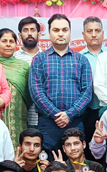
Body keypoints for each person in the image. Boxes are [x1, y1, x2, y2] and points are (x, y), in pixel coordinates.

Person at [29, 14, 93, 151]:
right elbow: (36, 92)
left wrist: (69, 114)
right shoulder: (39, 60)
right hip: (48, 123)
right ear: (49, 33)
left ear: (70, 32)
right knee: (49, 165)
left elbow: (87, 92)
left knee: (76, 164)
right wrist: (56, 114)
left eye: (64, 30)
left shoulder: (82, 60)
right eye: (56, 30)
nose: (61, 34)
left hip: (75, 121)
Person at [0, 28, 32, 148]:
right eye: (4, 41)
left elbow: (29, 94)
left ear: (16, 45)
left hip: (19, 117)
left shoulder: (24, 66)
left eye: (11, 41)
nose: (8, 44)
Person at [81, 16, 107, 136]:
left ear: (103, 34)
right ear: (83, 34)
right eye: (89, 31)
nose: (94, 35)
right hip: (86, 111)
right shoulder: (78, 57)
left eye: (97, 31)